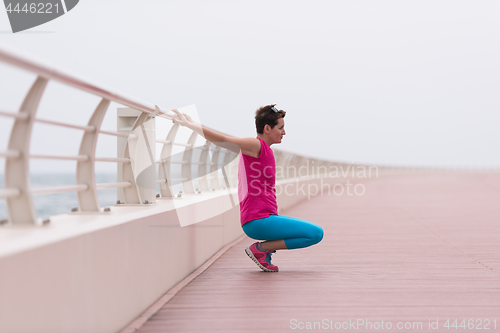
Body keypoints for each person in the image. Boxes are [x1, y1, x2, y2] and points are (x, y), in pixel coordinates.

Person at [171, 104, 324, 272]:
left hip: (265, 218)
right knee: (315, 233)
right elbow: (223, 141)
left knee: (313, 233)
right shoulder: (256, 145)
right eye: (281, 128)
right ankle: (261, 249)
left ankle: (262, 250)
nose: (284, 132)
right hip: (258, 220)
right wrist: (191, 125)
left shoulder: (265, 151)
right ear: (267, 128)